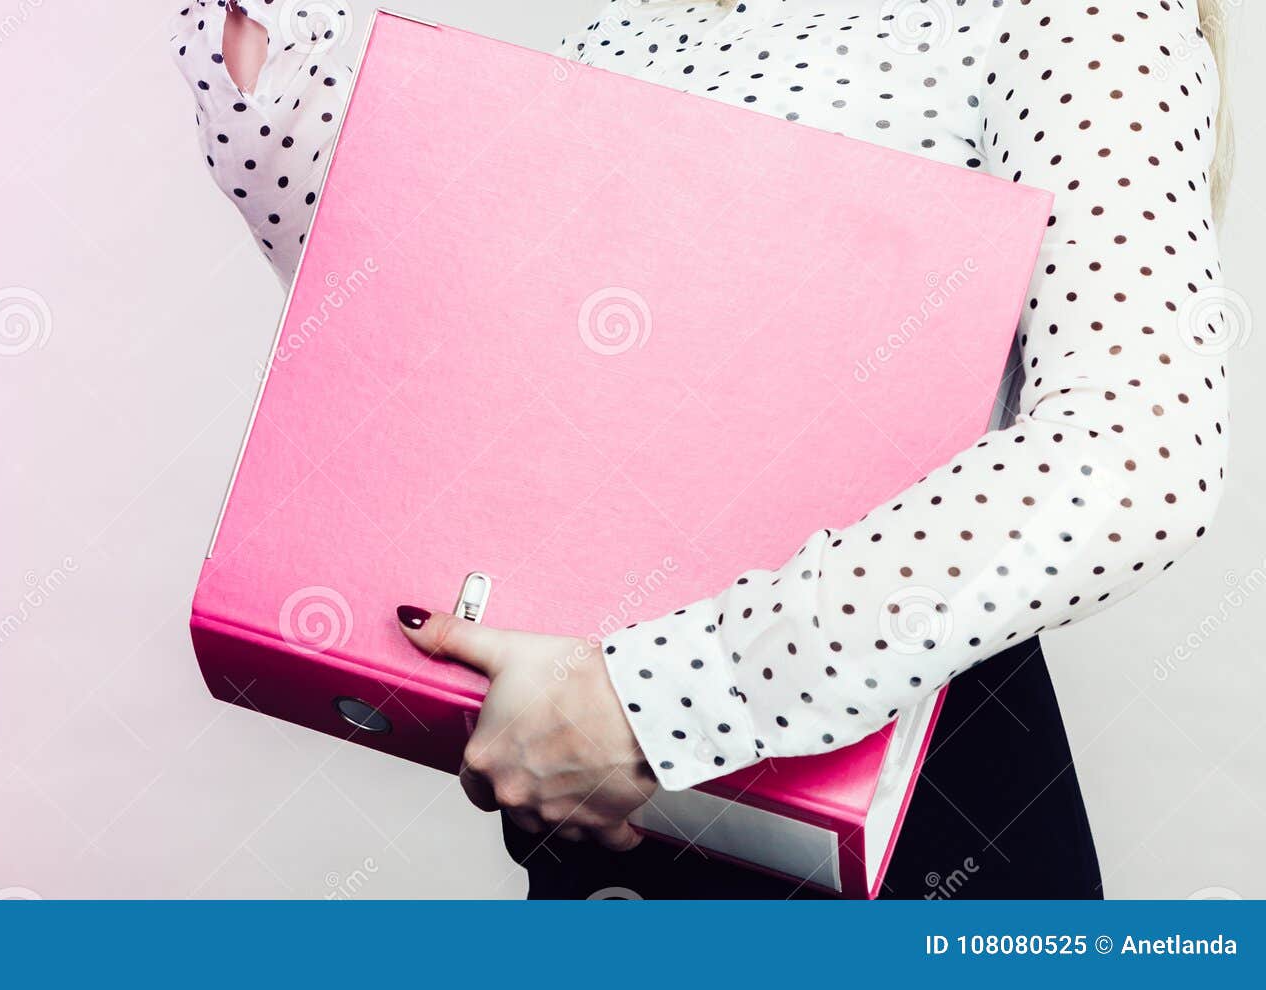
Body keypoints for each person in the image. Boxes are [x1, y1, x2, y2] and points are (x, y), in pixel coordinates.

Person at [170, 0, 1234, 898]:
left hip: (912, 819)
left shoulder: (1064, 10)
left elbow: (1134, 452)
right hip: (605, 839)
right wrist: (263, 62)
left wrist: (649, 701)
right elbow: (442, 334)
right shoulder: (632, 24)